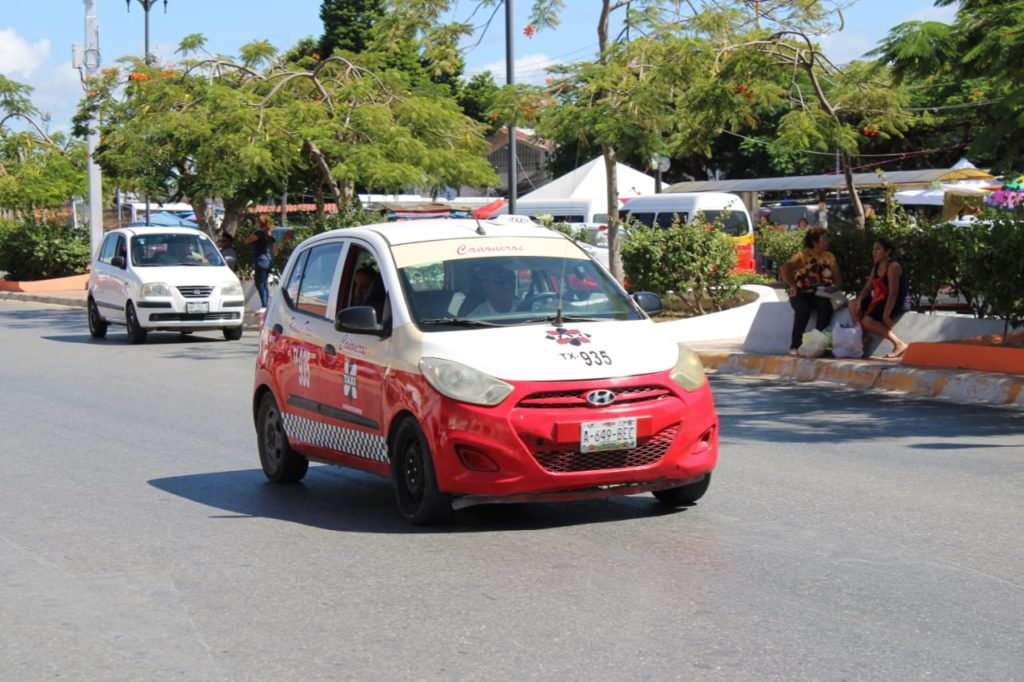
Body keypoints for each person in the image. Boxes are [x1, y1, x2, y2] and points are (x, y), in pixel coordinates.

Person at [780, 227, 843, 356]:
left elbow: (838, 279)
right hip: (801, 292)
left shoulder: (829, 257)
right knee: (803, 310)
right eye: (824, 238)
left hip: (820, 294)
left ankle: (817, 345)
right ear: (815, 242)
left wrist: (833, 287)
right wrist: (793, 286)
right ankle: (795, 345)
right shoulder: (804, 255)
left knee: (825, 308)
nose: (827, 241)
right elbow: (785, 268)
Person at [849, 238, 911, 359]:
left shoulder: (893, 266)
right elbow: (867, 287)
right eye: (873, 249)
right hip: (881, 299)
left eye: (878, 249)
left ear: (887, 252)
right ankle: (861, 337)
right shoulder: (876, 266)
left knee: (867, 321)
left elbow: (893, 293)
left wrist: (886, 315)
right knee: (852, 304)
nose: (874, 252)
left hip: (898, 301)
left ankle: (899, 344)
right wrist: (859, 301)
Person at [245, 214, 276, 309]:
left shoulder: (259, 233)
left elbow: (247, 241)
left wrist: (254, 232)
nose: (255, 223)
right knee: (264, 283)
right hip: (268, 260)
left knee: (259, 283)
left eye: (257, 222)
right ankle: (266, 305)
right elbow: (274, 250)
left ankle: (264, 305)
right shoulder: (269, 233)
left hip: (261, 261)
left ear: (259, 223)